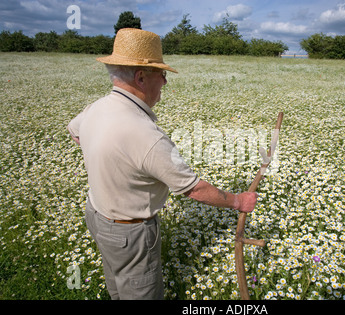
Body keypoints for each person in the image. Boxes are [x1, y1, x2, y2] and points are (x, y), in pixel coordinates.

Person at [67, 28, 258, 300]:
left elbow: (75, 133)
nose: (165, 82)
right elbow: (194, 189)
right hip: (129, 233)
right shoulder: (146, 136)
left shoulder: (97, 107)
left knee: (117, 287)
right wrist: (238, 202)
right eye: (162, 74)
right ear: (141, 77)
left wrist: (110, 164)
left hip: (96, 214)